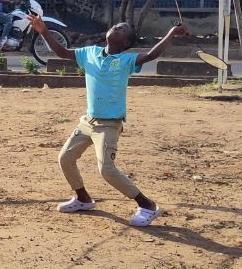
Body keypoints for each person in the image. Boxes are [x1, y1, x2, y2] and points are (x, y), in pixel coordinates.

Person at [29, 13, 187, 227]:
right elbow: (62, 52)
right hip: (88, 122)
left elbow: (151, 54)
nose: (116, 27)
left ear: (125, 43)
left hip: (109, 125)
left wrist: (172, 32)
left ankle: (147, 205)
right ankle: (83, 199)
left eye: (122, 29)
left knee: (107, 169)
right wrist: (43, 30)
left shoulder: (126, 60)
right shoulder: (90, 53)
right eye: (116, 25)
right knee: (65, 158)